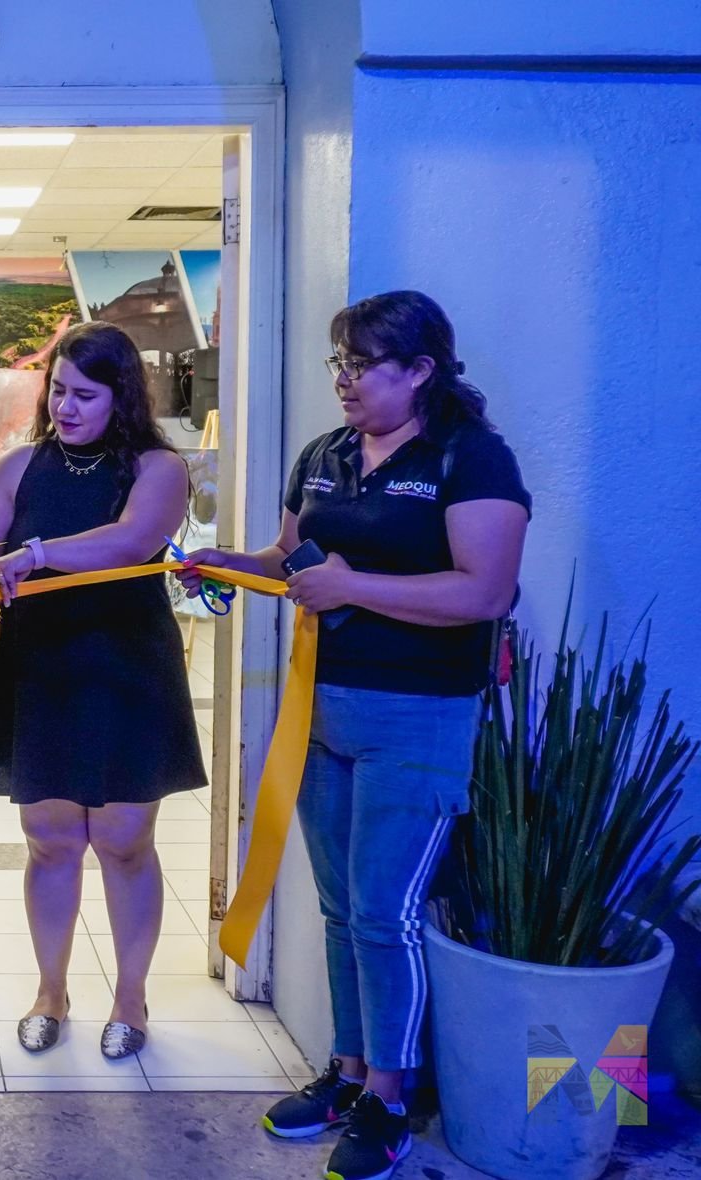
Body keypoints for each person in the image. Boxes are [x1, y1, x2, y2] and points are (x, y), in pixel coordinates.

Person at [177, 291, 529, 1180]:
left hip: (418, 716)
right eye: (340, 362)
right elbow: (292, 559)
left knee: (384, 913)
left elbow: (484, 591)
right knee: (341, 910)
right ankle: (346, 1073)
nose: (344, 379)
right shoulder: (324, 455)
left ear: (421, 369)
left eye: (364, 364)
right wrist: (228, 564)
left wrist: (354, 588)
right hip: (319, 711)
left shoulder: (469, 456)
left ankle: (390, 1098)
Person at [0, 320, 205, 1061]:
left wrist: (35, 554)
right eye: (58, 391)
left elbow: (132, 541)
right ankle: (51, 992)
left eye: (85, 396)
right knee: (51, 839)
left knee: (125, 840)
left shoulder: (158, 468)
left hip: (125, 665)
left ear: (121, 396)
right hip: (40, 666)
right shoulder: (16, 467)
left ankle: (130, 998)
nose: (65, 408)